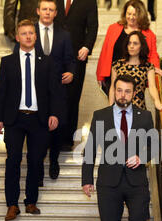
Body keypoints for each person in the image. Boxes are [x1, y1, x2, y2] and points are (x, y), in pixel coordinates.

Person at [82, 75, 154, 221]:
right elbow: (90, 148)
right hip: (108, 182)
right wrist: (86, 179)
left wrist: (142, 156)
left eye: (127, 91)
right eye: (119, 90)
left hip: (136, 181)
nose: (123, 95)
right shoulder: (100, 115)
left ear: (134, 93)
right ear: (113, 91)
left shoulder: (145, 116)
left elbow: (155, 145)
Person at [0, 19, 65, 221]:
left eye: (31, 33)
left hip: (39, 119)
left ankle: (31, 201)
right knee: (13, 160)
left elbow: (55, 92)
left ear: (35, 36)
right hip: (14, 119)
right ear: (17, 37)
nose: (27, 36)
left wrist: (54, 114)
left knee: (35, 161)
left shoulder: (48, 62)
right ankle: (12, 205)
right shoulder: (7, 62)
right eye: (23, 33)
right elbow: (1, 93)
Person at [12, 0, 76, 181]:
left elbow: (70, 59)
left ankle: (54, 160)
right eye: (45, 9)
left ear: (56, 13)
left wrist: (71, 72)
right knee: (39, 132)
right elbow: (19, 55)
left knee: (57, 129)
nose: (47, 12)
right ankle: (37, 168)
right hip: (34, 90)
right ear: (38, 11)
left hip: (57, 90)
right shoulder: (29, 33)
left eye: (51, 10)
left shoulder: (64, 35)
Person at [55, 0, 99, 150]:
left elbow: (93, 27)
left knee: (72, 99)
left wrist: (87, 47)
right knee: (51, 97)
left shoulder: (89, 1)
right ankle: (50, 138)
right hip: (53, 57)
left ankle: (67, 141)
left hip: (77, 58)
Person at [97, 0, 162, 96]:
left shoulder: (149, 34)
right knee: (115, 108)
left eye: (134, 14)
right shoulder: (113, 28)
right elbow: (104, 53)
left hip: (136, 79)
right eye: (129, 14)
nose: (131, 17)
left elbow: (152, 54)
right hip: (113, 78)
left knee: (132, 109)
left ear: (141, 15)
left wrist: (156, 68)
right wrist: (100, 75)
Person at [109, 31, 162, 112]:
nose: (131, 46)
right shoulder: (117, 65)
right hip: (120, 110)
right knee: (101, 123)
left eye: (135, 43)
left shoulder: (148, 67)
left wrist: (157, 103)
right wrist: (110, 107)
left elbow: (152, 87)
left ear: (141, 46)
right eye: (129, 43)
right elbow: (112, 88)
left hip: (139, 111)